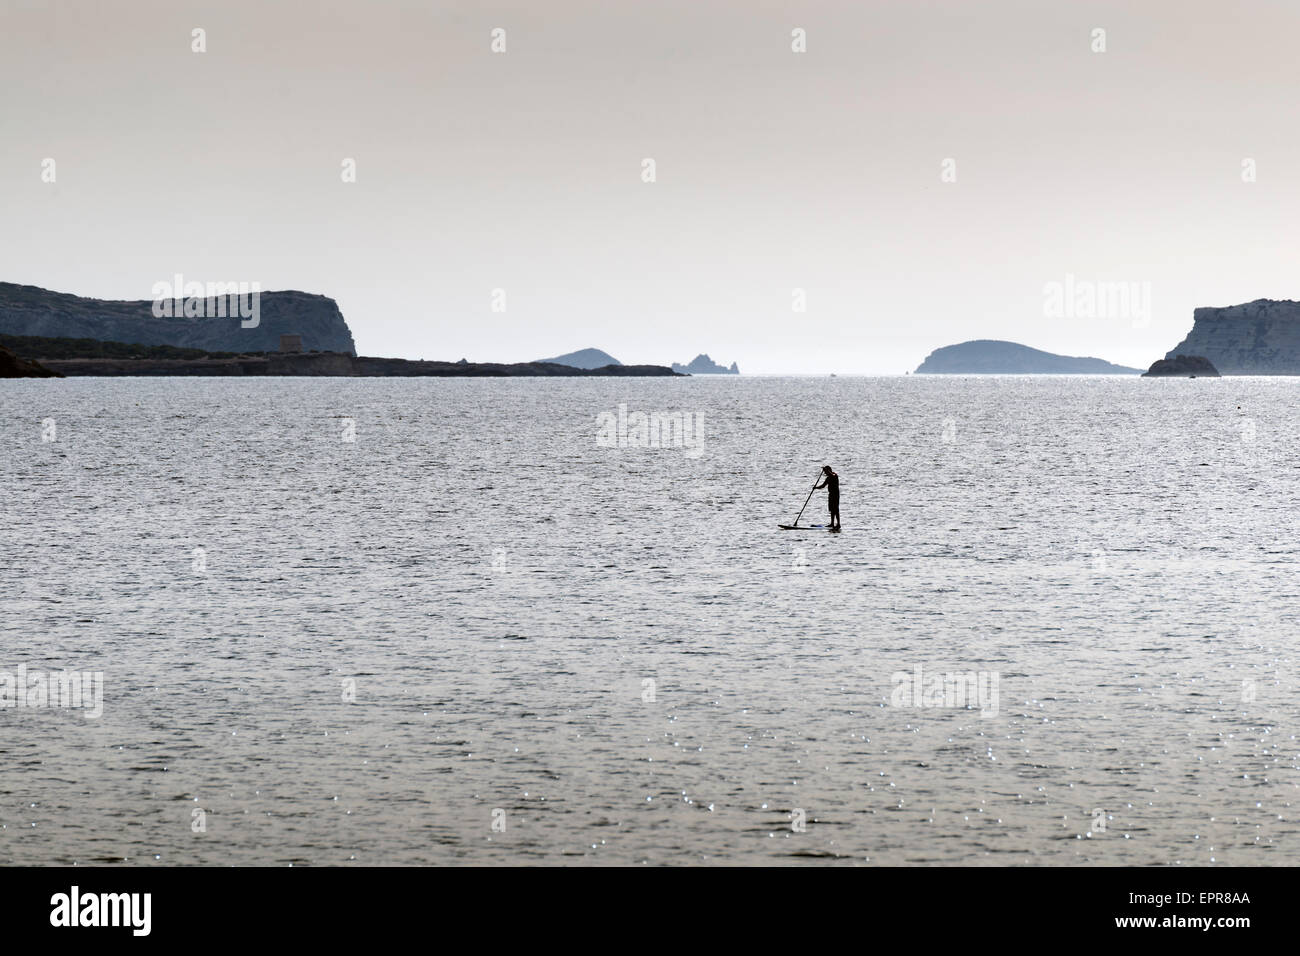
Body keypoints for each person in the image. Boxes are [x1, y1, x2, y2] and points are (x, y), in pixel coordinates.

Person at [814, 465, 840, 530]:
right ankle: (832, 523)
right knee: (831, 509)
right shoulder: (828, 478)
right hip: (831, 494)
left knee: (836, 509)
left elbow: (832, 475)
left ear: (829, 471)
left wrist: (827, 470)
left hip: (835, 494)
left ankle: (838, 524)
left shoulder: (835, 475)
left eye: (826, 472)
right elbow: (823, 486)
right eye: (824, 472)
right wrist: (816, 487)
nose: (825, 473)